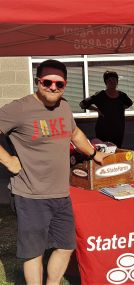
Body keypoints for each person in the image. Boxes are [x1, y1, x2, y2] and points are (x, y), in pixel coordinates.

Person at [0, 59, 109, 285]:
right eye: (47, 82)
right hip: (30, 195)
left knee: (66, 246)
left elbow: (75, 133)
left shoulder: (65, 106)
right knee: (34, 251)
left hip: (61, 194)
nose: (52, 87)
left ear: (65, 85)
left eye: (59, 84)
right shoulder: (20, 108)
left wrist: (93, 154)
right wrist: (8, 160)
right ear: (38, 81)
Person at [79, 71, 133, 147]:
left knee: (116, 151)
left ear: (117, 82)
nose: (112, 82)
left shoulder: (122, 96)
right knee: (104, 151)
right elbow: (82, 104)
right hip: (103, 129)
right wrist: (97, 109)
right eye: (109, 80)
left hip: (118, 129)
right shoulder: (100, 95)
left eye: (114, 79)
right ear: (106, 82)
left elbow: (129, 103)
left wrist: (119, 109)